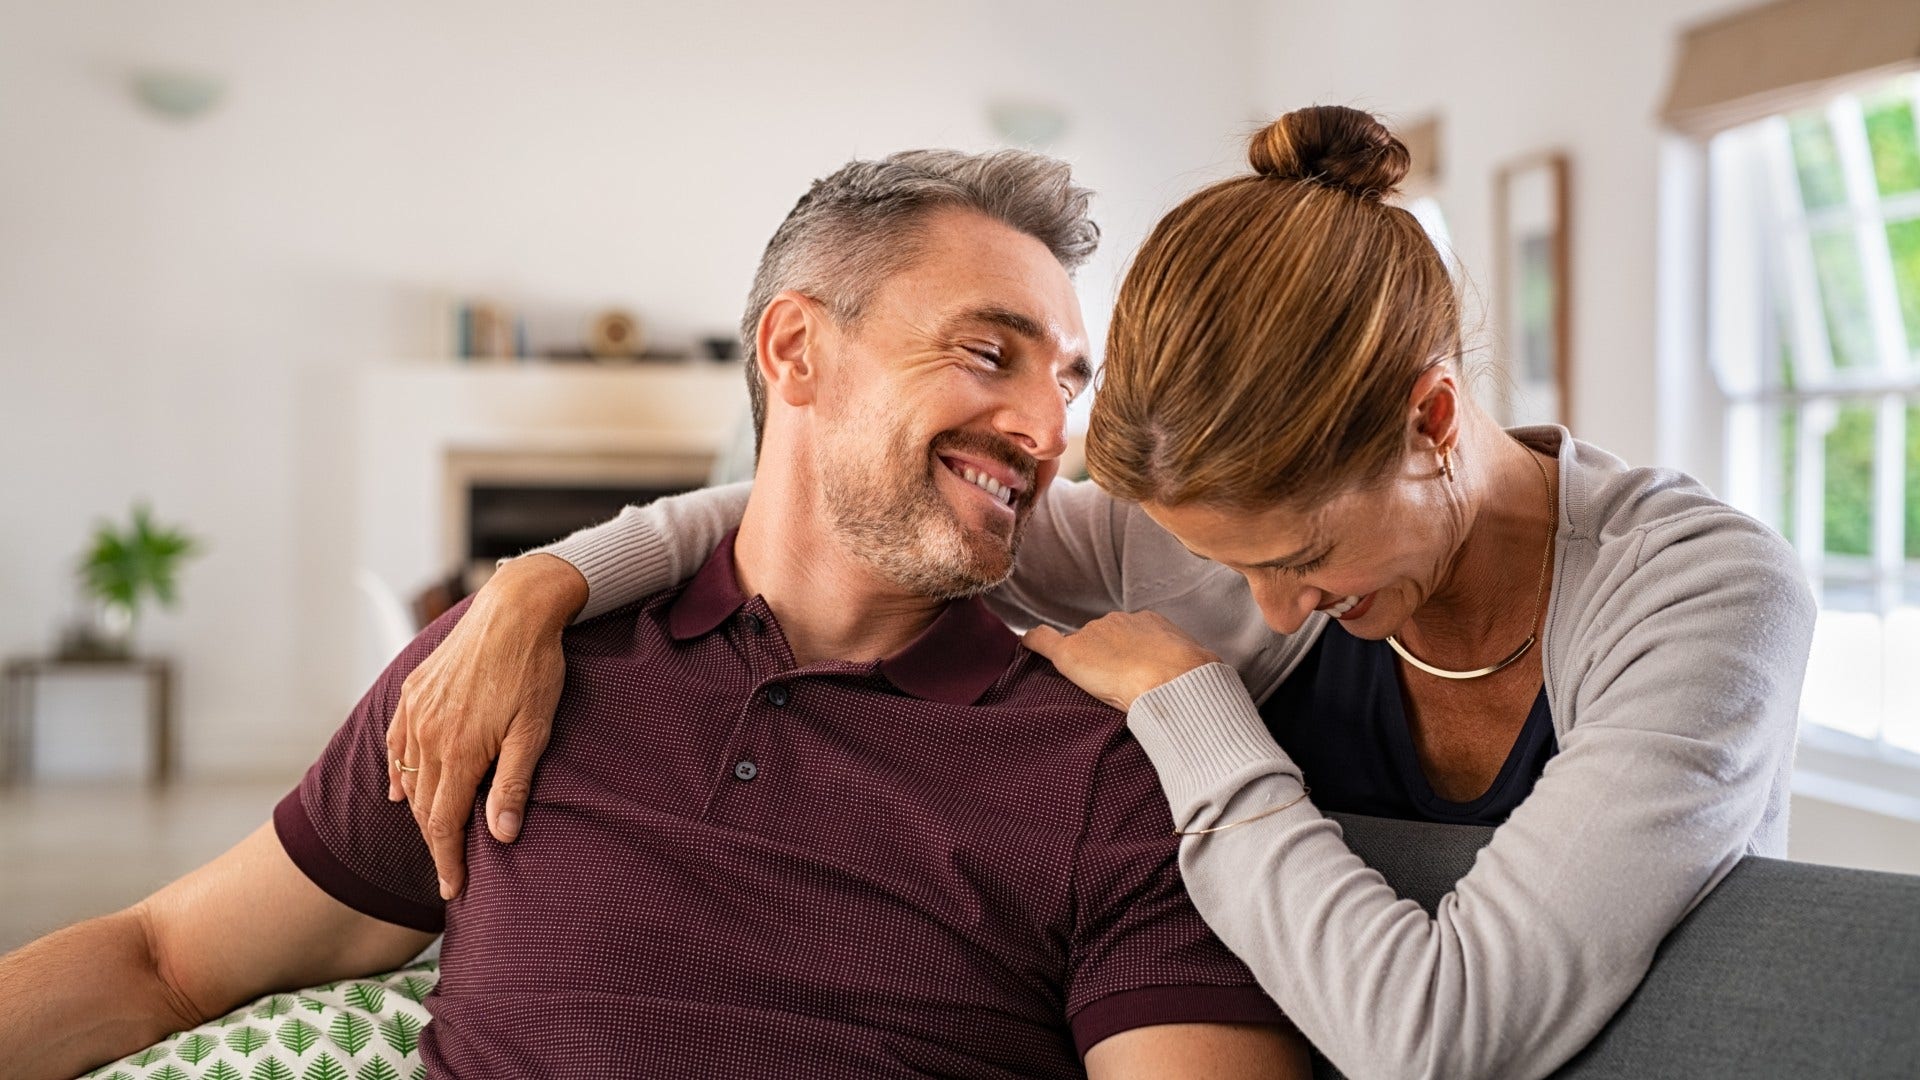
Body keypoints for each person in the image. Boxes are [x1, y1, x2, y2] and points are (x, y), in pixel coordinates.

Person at [390, 107, 1816, 1080]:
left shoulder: (1700, 600)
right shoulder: (1170, 546)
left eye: (1302, 561)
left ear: (1434, 420)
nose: (1264, 609)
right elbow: (835, 509)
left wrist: (1193, 709)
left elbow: (1433, 1034)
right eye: (1231, 561)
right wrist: (542, 584)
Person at [0, 149, 1309, 1080]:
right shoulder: (504, 681)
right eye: (988, 351)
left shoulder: (1106, 764)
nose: (1043, 428)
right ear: (794, 352)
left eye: (1065, 380)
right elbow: (168, 961)